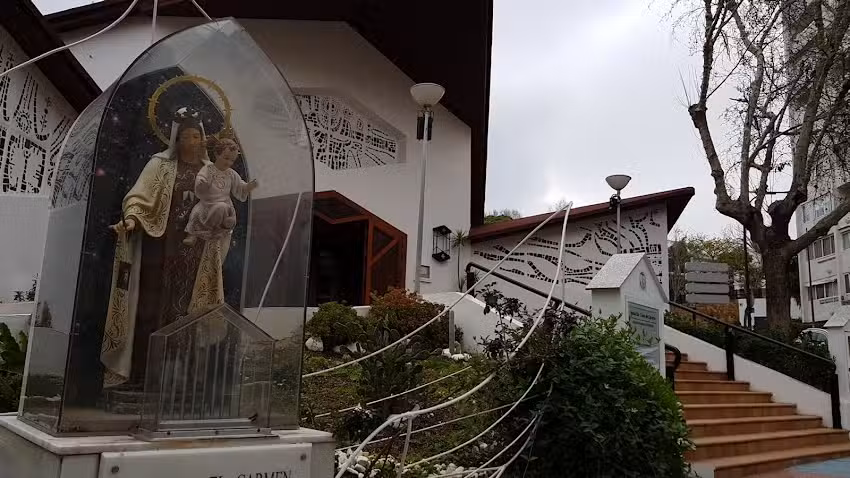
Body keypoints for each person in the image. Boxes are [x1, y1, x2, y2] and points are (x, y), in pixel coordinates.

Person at [101, 107, 230, 387]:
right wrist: (132, 220)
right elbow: (137, 197)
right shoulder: (160, 164)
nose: (191, 142)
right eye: (185, 136)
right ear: (176, 139)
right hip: (161, 251)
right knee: (152, 308)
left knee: (189, 311)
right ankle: (144, 377)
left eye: (196, 136)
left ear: (203, 139)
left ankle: (186, 381)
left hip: (195, 254)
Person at [183, 134, 257, 246]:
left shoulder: (231, 174)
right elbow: (200, 181)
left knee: (223, 211)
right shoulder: (208, 169)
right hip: (207, 204)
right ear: (217, 154)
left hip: (225, 206)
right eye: (226, 158)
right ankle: (193, 234)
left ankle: (217, 231)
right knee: (198, 213)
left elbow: (240, 187)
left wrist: (249, 186)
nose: (228, 163)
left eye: (232, 160)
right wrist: (203, 184)